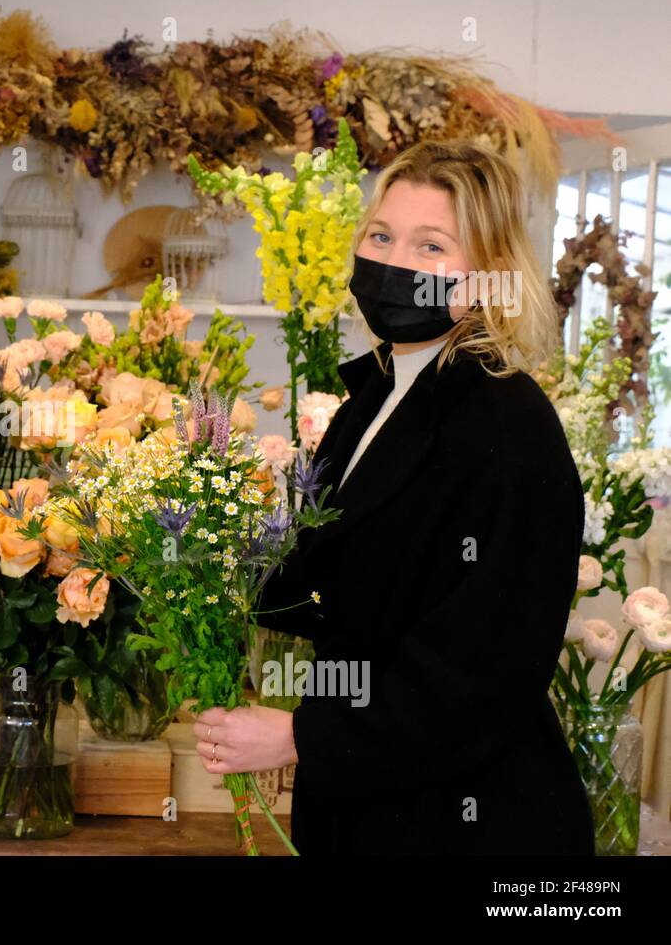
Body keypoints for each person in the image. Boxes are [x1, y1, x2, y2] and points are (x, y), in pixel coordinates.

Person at [192, 140, 595, 855]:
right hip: (369, 809)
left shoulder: (509, 426)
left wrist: (298, 736)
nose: (395, 262)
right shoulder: (377, 395)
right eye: (381, 236)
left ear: (486, 278)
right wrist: (193, 573)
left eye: (430, 245)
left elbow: (483, 667)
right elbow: (339, 585)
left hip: (467, 822)